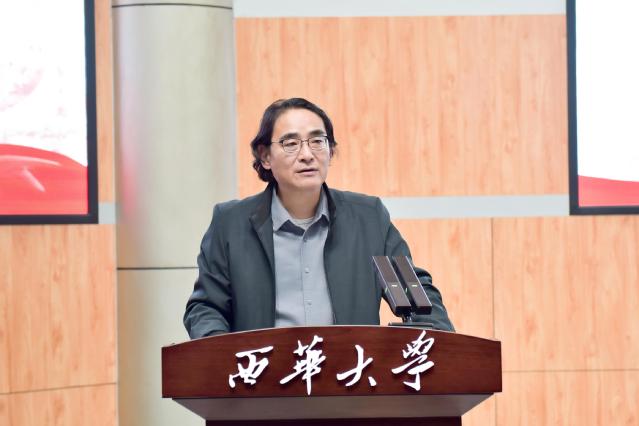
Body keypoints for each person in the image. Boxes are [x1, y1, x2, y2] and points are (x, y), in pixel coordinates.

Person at [184, 98, 454, 338]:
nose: (307, 155)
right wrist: (222, 356)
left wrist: (437, 342)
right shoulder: (230, 224)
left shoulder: (368, 218)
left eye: (317, 141)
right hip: (262, 374)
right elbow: (206, 308)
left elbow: (415, 293)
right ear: (265, 157)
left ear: (330, 151)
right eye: (291, 143)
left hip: (350, 373)